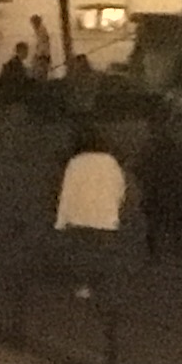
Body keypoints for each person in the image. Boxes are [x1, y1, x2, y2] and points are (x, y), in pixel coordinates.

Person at [51, 123, 128, 294]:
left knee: (82, 255)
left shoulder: (75, 162)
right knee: (102, 254)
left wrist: (61, 221)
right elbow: (120, 188)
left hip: (79, 217)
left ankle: (83, 287)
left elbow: (67, 193)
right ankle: (102, 288)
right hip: (105, 216)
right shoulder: (111, 162)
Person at [139, 116, 182, 261]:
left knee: (158, 220)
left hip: (162, 186)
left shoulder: (152, 147)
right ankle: (169, 249)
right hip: (163, 186)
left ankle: (161, 251)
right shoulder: (164, 146)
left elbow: (139, 167)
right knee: (163, 219)